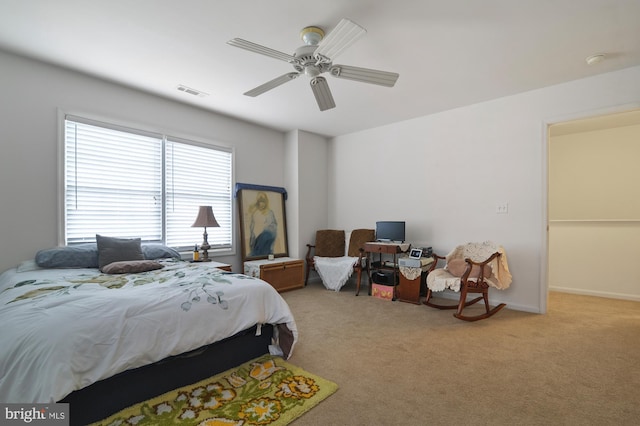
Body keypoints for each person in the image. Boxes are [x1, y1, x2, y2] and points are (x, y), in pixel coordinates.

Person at [248, 191, 277, 256]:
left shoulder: (270, 213)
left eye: (263, 201)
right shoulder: (255, 213)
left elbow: (273, 228)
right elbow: (252, 229)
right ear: (258, 202)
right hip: (256, 242)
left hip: (266, 240)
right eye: (260, 201)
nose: (262, 204)